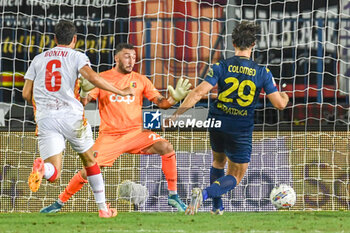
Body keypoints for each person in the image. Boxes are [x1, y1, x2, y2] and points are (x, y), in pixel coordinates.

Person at [40, 43, 192, 214]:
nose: (131, 61)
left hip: (136, 133)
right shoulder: (101, 79)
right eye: (127, 56)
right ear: (116, 58)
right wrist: (82, 92)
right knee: (88, 170)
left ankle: (173, 195)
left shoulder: (141, 80)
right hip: (110, 136)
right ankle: (60, 202)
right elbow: (83, 102)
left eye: (134, 57)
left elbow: (161, 103)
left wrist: (173, 99)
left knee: (166, 147)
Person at [168, 21, 289, 215]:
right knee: (235, 175)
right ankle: (205, 195)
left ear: (233, 43)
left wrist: (176, 115)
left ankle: (217, 208)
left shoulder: (220, 66)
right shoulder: (262, 72)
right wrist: (285, 95)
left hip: (216, 121)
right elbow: (279, 104)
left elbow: (199, 92)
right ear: (253, 45)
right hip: (240, 127)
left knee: (218, 162)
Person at [22, 20, 134, 218]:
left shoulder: (38, 59)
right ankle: (102, 209)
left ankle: (42, 169)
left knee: (54, 174)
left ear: (54, 39)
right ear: (74, 39)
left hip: (46, 118)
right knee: (90, 161)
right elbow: (93, 78)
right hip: (71, 117)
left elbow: (25, 93)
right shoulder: (77, 56)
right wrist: (121, 91)